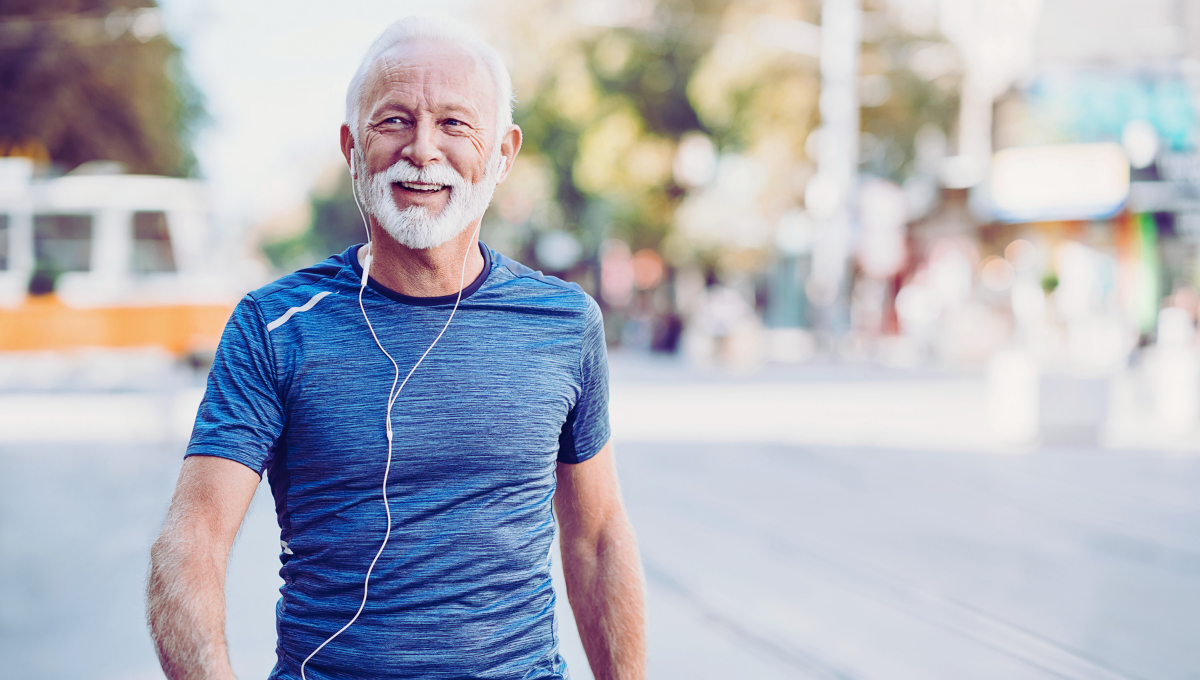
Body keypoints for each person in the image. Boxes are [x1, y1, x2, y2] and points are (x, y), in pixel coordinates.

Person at [146, 16, 645, 680]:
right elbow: (193, 540)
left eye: (455, 125)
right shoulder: (274, 326)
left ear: (503, 153)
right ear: (352, 147)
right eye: (395, 121)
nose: (423, 150)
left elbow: (598, 539)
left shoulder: (563, 323)